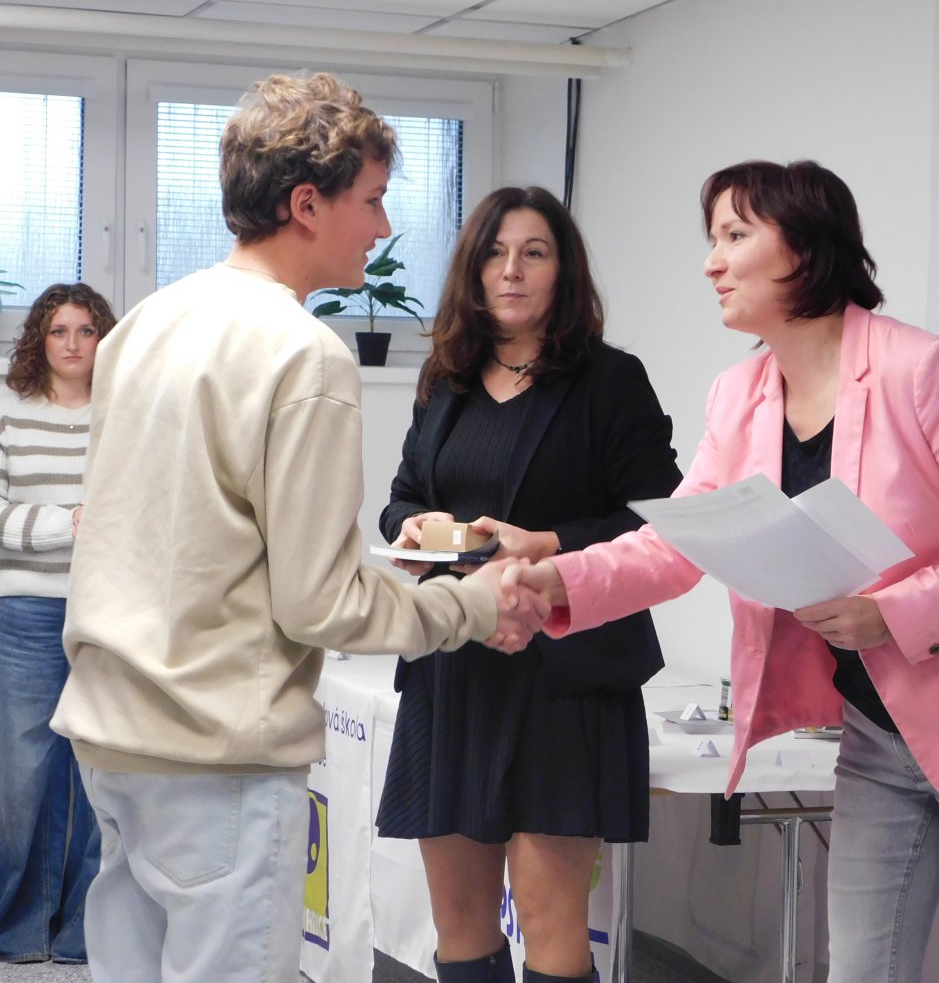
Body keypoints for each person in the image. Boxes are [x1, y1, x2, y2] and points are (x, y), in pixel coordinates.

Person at [500, 159, 939, 983]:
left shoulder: (923, 370)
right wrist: (561, 580)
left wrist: (895, 611)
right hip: (875, 729)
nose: (711, 262)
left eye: (734, 236)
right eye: (712, 239)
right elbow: (679, 541)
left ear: (805, 248)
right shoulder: (738, 393)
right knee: (858, 969)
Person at [50, 73, 547, 983]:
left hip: (113, 740)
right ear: (307, 204)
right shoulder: (303, 354)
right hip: (217, 757)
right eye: (373, 199)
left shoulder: (143, 327)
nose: (384, 226)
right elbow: (321, 604)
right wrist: (472, 606)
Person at [374, 186, 680, 983]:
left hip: (564, 675)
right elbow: (400, 497)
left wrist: (548, 543)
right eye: (495, 253)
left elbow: (661, 522)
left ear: (563, 270)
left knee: (549, 917)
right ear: (473, 271)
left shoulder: (611, 381)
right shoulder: (447, 379)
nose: (511, 270)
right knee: (459, 922)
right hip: (454, 665)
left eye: (533, 252)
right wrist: (413, 524)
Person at [0, 283, 115, 965]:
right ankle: (17, 930)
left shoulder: (123, 412)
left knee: (101, 771)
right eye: (59, 331)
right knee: (23, 773)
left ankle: (84, 931)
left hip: (107, 610)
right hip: (26, 610)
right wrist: (71, 523)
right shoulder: (9, 408)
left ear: (105, 339)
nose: (73, 344)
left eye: (87, 330)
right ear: (38, 340)